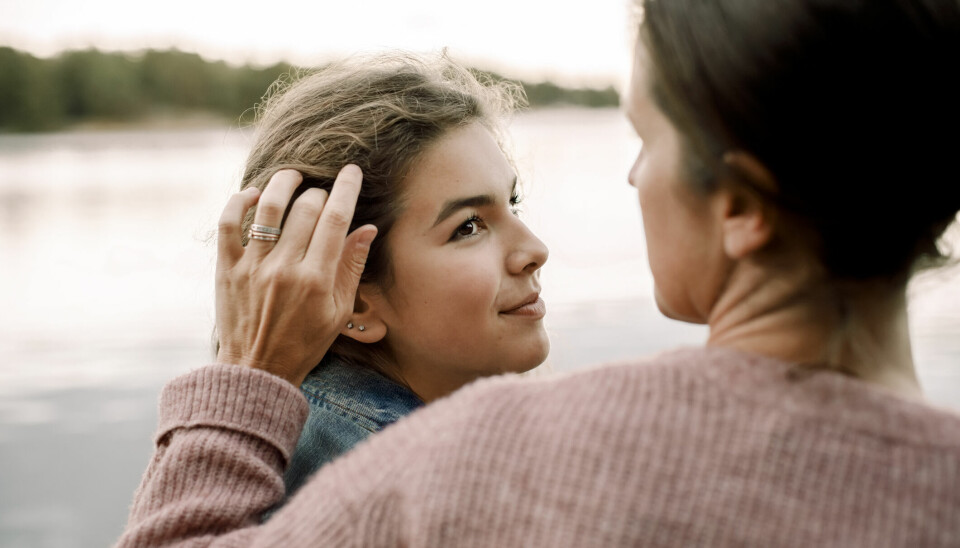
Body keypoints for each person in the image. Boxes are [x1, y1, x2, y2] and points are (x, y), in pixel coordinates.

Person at [117, 0, 960, 546]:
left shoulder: (488, 462)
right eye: (473, 222)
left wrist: (243, 375)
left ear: (742, 204)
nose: (635, 178)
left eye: (646, 137)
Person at [226, 54, 550, 501]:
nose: (535, 251)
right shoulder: (407, 487)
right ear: (354, 300)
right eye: (468, 226)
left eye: (512, 203)